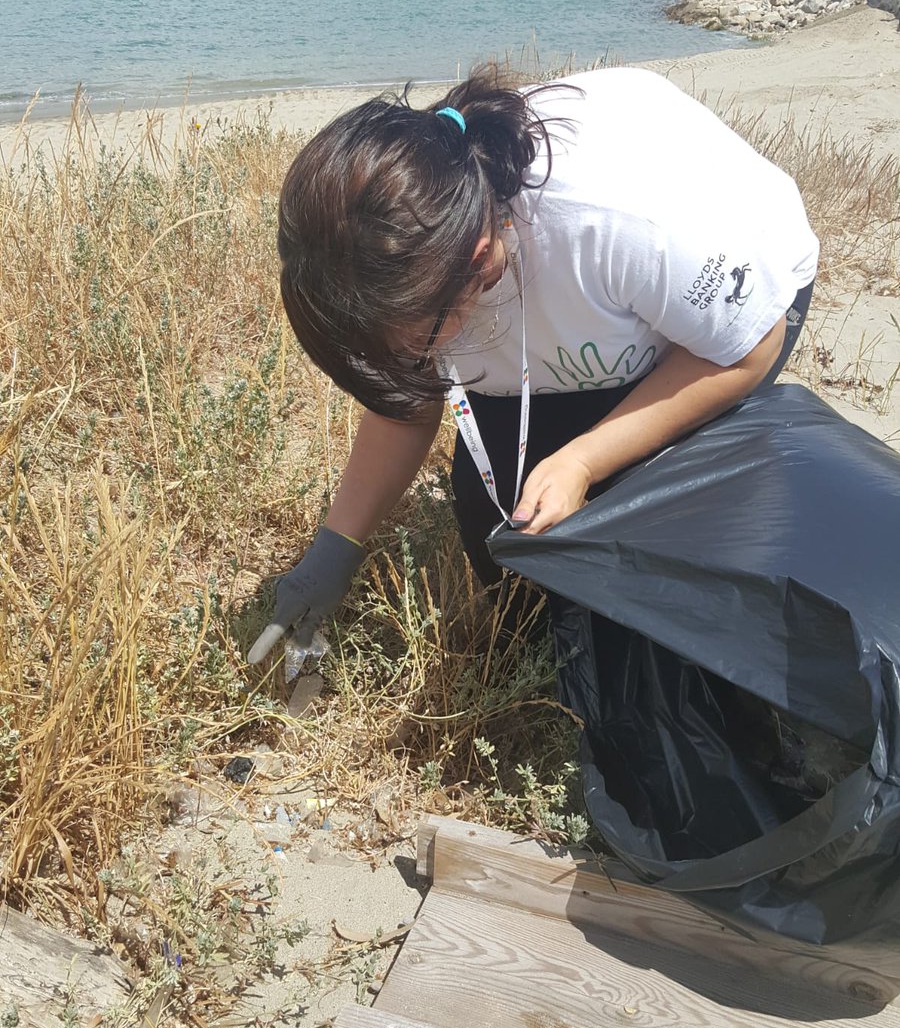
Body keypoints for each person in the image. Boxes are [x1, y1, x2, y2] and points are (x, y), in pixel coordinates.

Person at [248, 64, 818, 665]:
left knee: (654, 519)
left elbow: (750, 349)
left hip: (729, 316)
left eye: (419, 344)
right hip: (587, 303)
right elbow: (406, 406)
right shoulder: (416, 237)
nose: (413, 364)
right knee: (497, 518)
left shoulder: (619, 224)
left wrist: (583, 459)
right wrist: (333, 552)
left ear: (476, 260)